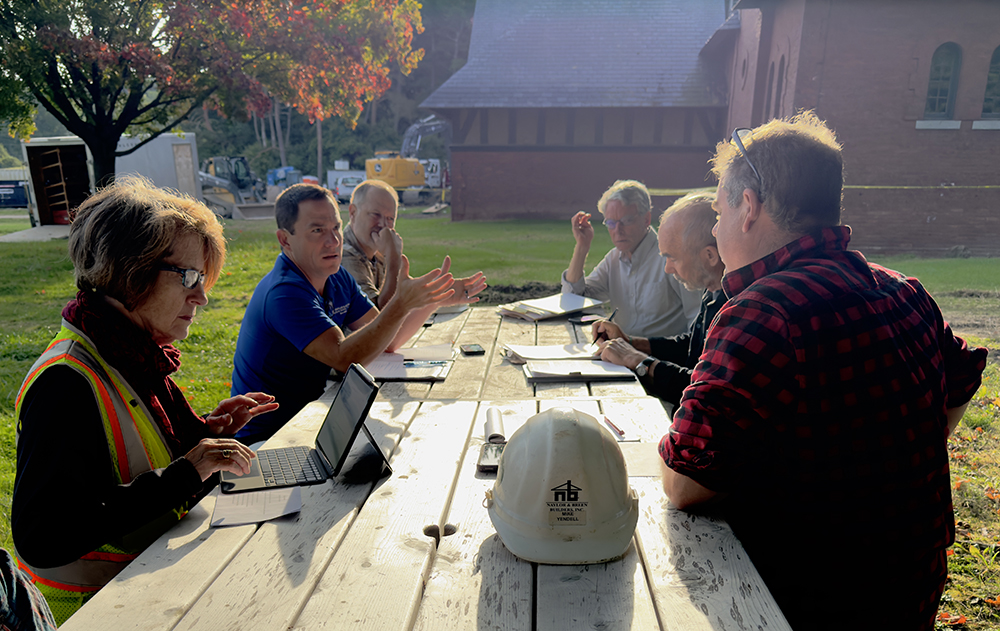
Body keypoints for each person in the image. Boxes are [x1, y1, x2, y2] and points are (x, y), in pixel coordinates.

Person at [658, 112, 988, 630]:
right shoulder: (903, 290)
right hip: (911, 588)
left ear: (749, 208)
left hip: (803, 601)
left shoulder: (759, 312)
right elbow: (964, 377)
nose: (717, 230)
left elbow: (686, 483)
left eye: (719, 212)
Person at [12, 178, 278, 624]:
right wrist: (187, 472)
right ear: (130, 270)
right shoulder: (66, 384)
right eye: (190, 277)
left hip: (144, 588)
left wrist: (206, 433)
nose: (202, 296)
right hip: (96, 610)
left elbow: (139, 453)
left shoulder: (129, 348)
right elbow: (42, 536)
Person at [231, 183, 486, 444]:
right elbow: (344, 357)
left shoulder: (337, 276)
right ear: (285, 239)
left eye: (336, 228)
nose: (333, 241)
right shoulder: (284, 292)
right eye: (317, 230)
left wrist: (433, 299)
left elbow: (387, 339)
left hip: (312, 421)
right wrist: (400, 304)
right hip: (265, 441)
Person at [594, 192, 726, 408]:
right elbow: (693, 346)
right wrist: (631, 343)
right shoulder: (713, 289)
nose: (667, 268)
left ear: (710, 256)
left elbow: (703, 392)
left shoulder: (737, 306)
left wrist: (637, 360)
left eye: (672, 258)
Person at [562, 180, 701, 339]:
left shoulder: (671, 259)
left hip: (661, 358)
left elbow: (697, 323)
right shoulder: (613, 259)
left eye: (627, 221)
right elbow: (572, 298)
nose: (618, 230)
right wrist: (582, 246)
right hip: (620, 354)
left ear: (646, 219)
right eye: (611, 223)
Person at [340, 179, 403, 308]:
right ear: (353, 213)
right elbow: (379, 317)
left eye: (390, 218)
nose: (383, 225)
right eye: (375, 214)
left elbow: (406, 295)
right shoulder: (343, 255)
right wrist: (393, 260)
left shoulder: (377, 251)